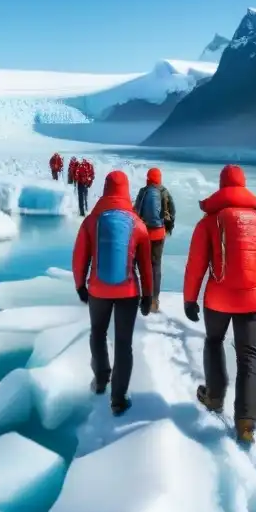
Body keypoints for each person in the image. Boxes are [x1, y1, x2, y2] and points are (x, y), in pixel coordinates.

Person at [183, 164, 256, 445]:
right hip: (252, 299)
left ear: (222, 186)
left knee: (214, 341)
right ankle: (246, 423)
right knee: (249, 358)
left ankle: (214, 397)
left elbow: (196, 265)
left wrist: (189, 298)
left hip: (217, 299)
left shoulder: (209, 221)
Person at [72, 170, 153, 416]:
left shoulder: (91, 221)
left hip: (98, 289)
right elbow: (145, 265)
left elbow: (79, 257)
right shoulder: (137, 224)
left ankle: (100, 380)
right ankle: (118, 399)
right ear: (126, 191)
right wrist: (148, 295)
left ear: (105, 188)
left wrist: (80, 285)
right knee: (123, 343)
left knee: (98, 333)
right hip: (128, 291)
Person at [133, 167, 176, 313]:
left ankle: (145, 297)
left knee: (144, 266)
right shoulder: (164, 192)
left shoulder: (143, 191)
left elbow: (135, 211)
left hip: (145, 234)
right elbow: (172, 211)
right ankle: (154, 300)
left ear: (148, 178)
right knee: (156, 266)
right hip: (159, 234)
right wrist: (168, 228)